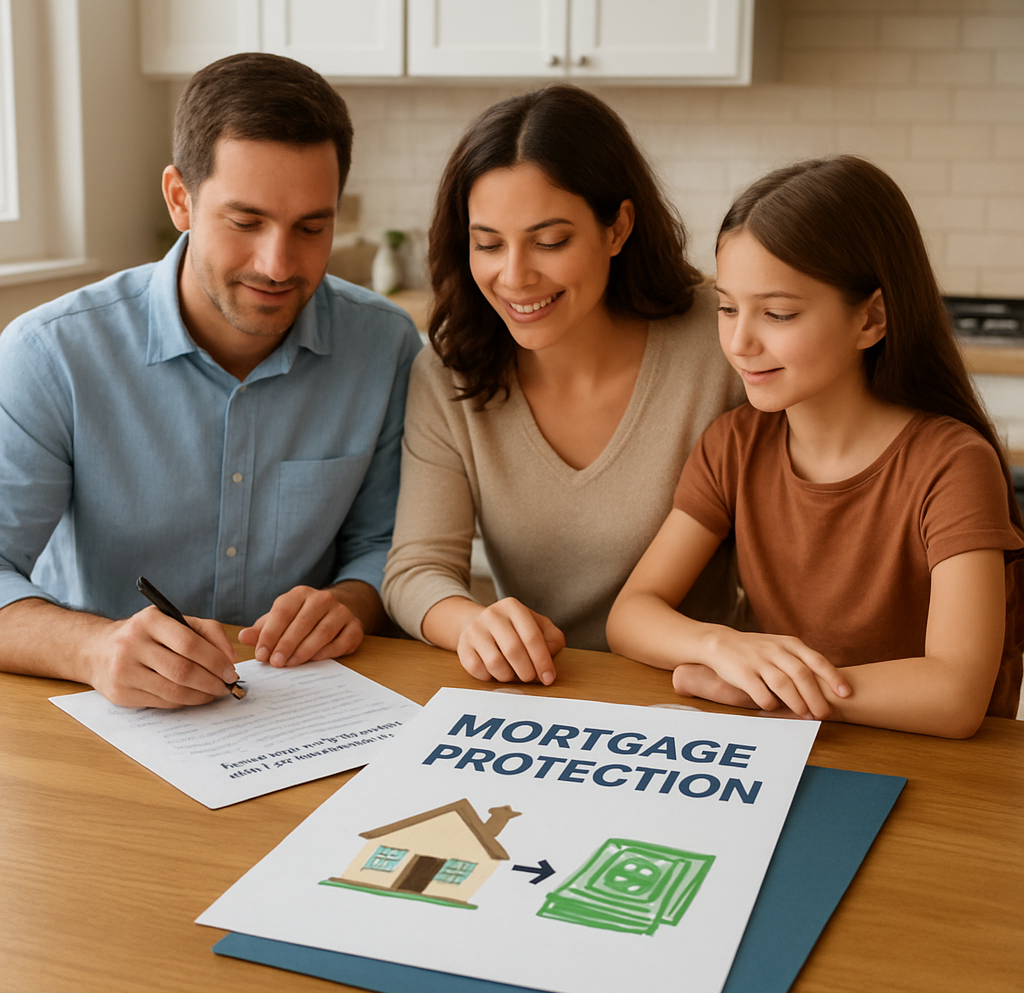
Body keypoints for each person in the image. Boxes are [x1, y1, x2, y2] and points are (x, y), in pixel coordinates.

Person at [0, 53, 420, 708]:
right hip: (96, 714)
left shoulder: (386, 345)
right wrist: (93, 648)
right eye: (245, 222)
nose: (278, 264)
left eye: (313, 226)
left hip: (298, 711)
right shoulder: (50, 353)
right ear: (180, 199)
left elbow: (380, 547)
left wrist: (348, 603)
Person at [607, 156, 1024, 739]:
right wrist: (721, 646)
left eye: (777, 313)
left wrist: (769, 695)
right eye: (727, 307)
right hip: (788, 749)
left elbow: (954, 696)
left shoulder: (953, 464)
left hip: (925, 767)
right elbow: (631, 615)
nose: (740, 341)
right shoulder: (732, 446)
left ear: (871, 318)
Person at [382, 84, 745, 686]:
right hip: (542, 696)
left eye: (550, 242)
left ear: (617, 228)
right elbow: (416, 569)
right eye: (488, 244)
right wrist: (473, 624)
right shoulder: (449, 373)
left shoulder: (720, 341)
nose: (515, 277)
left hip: (701, 691)